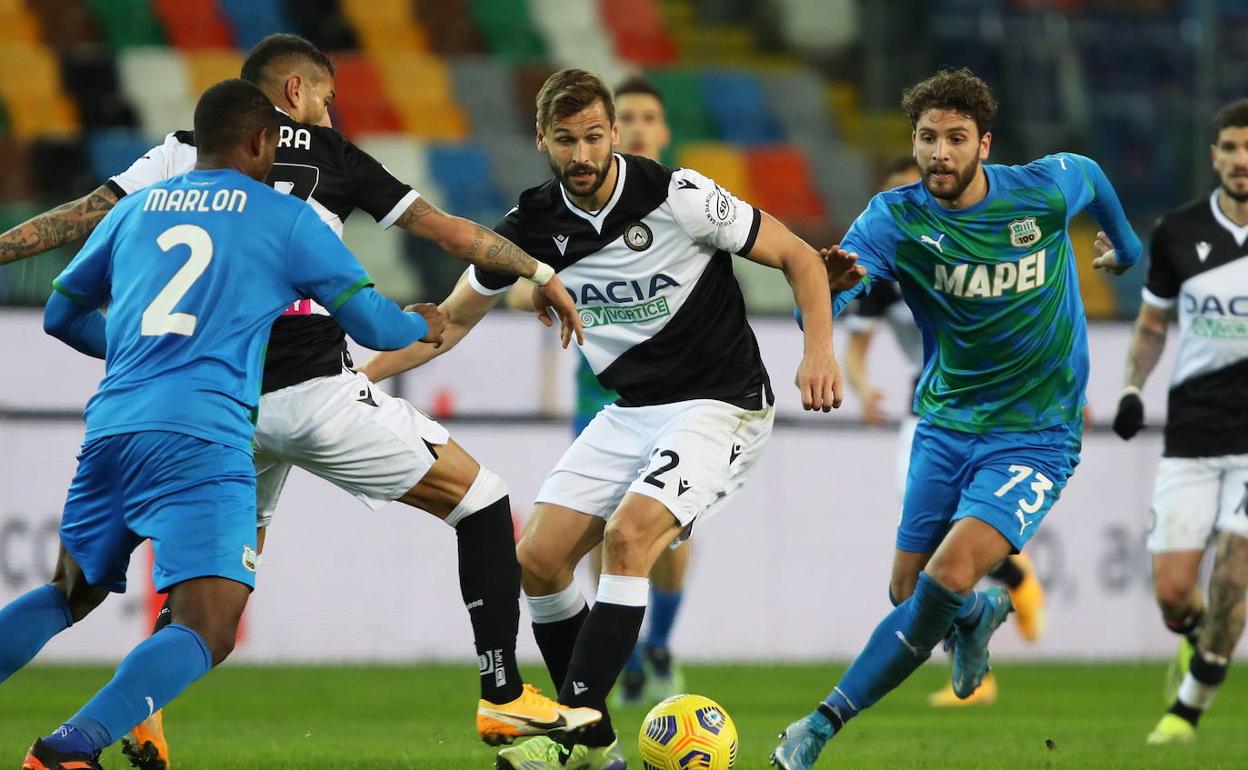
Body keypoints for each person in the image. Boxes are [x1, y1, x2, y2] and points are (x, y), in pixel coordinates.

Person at [0, 34, 590, 768]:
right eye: (323, 98)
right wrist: (446, 312)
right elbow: (429, 253)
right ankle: (502, 692)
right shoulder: (302, 198)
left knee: (83, 590)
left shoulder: (158, 176)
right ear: (274, 119)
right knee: (481, 501)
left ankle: (141, 719)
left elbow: (74, 249)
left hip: (149, 410)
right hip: (269, 405)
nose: (326, 115)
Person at [360, 68, 858, 770]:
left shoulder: (679, 197)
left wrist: (819, 352)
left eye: (595, 137)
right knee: (536, 560)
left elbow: (799, 257)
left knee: (629, 537)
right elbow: (445, 325)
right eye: (567, 141)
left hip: (723, 403)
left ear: (615, 133)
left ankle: (572, 732)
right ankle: (597, 749)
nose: (583, 155)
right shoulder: (530, 227)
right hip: (631, 411)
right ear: (543, 141)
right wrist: (354, 377)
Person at [1, 79, 436, 770]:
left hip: (114, 425)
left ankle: (73, 745)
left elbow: (60, 313)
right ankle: (68, 749)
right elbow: (375, 325)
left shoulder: (137, 208)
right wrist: (424, 322)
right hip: (202, 437)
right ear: (262, 142)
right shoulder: (285, 219)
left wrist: (145, 351)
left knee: (67, 593)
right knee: (209, 625)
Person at [769, 67, 1140, 769]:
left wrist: (1126, 246)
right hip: (944, 423)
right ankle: (977, 617)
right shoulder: (893, 217)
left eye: (956, 138)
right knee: (907, 591)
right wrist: (827, 303)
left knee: (941, 579)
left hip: (1036, 433)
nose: (940, 152)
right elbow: (824, 297)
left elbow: (1092, 173)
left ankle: (818, 726)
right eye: (928, 137)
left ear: (985, 145)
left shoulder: (1041, 189)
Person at [507, 73, 691, 707]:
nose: (638, 127)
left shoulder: (680, 203)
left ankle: (657, 643)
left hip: (678, 401)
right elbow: (514, 274)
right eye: (630, 115)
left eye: (646, 117)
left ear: (656, 132)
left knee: (659, 532)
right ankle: (623, 656)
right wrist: (534, 282)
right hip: (599, 398)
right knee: (601, 526)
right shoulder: (561, 209)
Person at [843, 156, 1049, 708]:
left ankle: (1003, 595)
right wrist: (863, 390)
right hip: (925, 412)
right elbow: (856, 349)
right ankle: (1002, 596)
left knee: (944, 551)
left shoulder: (965, 253)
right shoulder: (881, 278)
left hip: (984, 411)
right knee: (926, 555)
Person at [1109, 98, 1248, 745]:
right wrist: (1134, 387)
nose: (1242, 161)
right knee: (1172, 594)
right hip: (1192, 435)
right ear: (1214, 155)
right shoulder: (1178, 231)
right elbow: (1154, 322)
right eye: (1230, 148)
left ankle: (1187, 711)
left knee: (1233, 576)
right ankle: (1197, 644)